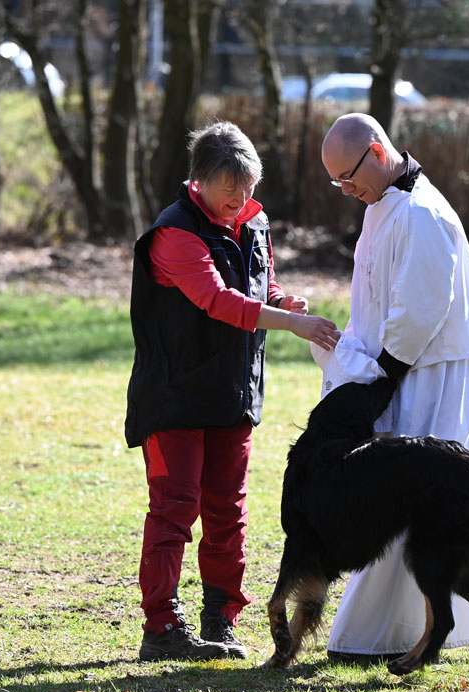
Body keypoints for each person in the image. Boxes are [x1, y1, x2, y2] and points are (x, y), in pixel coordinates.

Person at [126, 121, 340, 662]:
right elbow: (218, 300)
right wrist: (289, 325)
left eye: (248, 186)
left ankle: (221, 619)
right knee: (175, 509)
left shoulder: (254, 220)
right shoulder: (174, 234)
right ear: (199, 181)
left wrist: (281, 300)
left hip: (233, 395)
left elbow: (253, 285)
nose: (241, 198)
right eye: (230, 188)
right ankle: (162, 628)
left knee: (228, 512)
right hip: (175, 396)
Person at [317, 112, 469, 662]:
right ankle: (387, 631)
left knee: (429, 504)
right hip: (396, 370)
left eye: (349, 177)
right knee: (391, 501)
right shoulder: (383, 206)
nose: (346, 190)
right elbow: (373, 298)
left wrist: (378, 379)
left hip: (432, 377)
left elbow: (420, 309)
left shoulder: (422, 213)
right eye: (337, 182)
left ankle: (410, 631)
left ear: (377, 152)